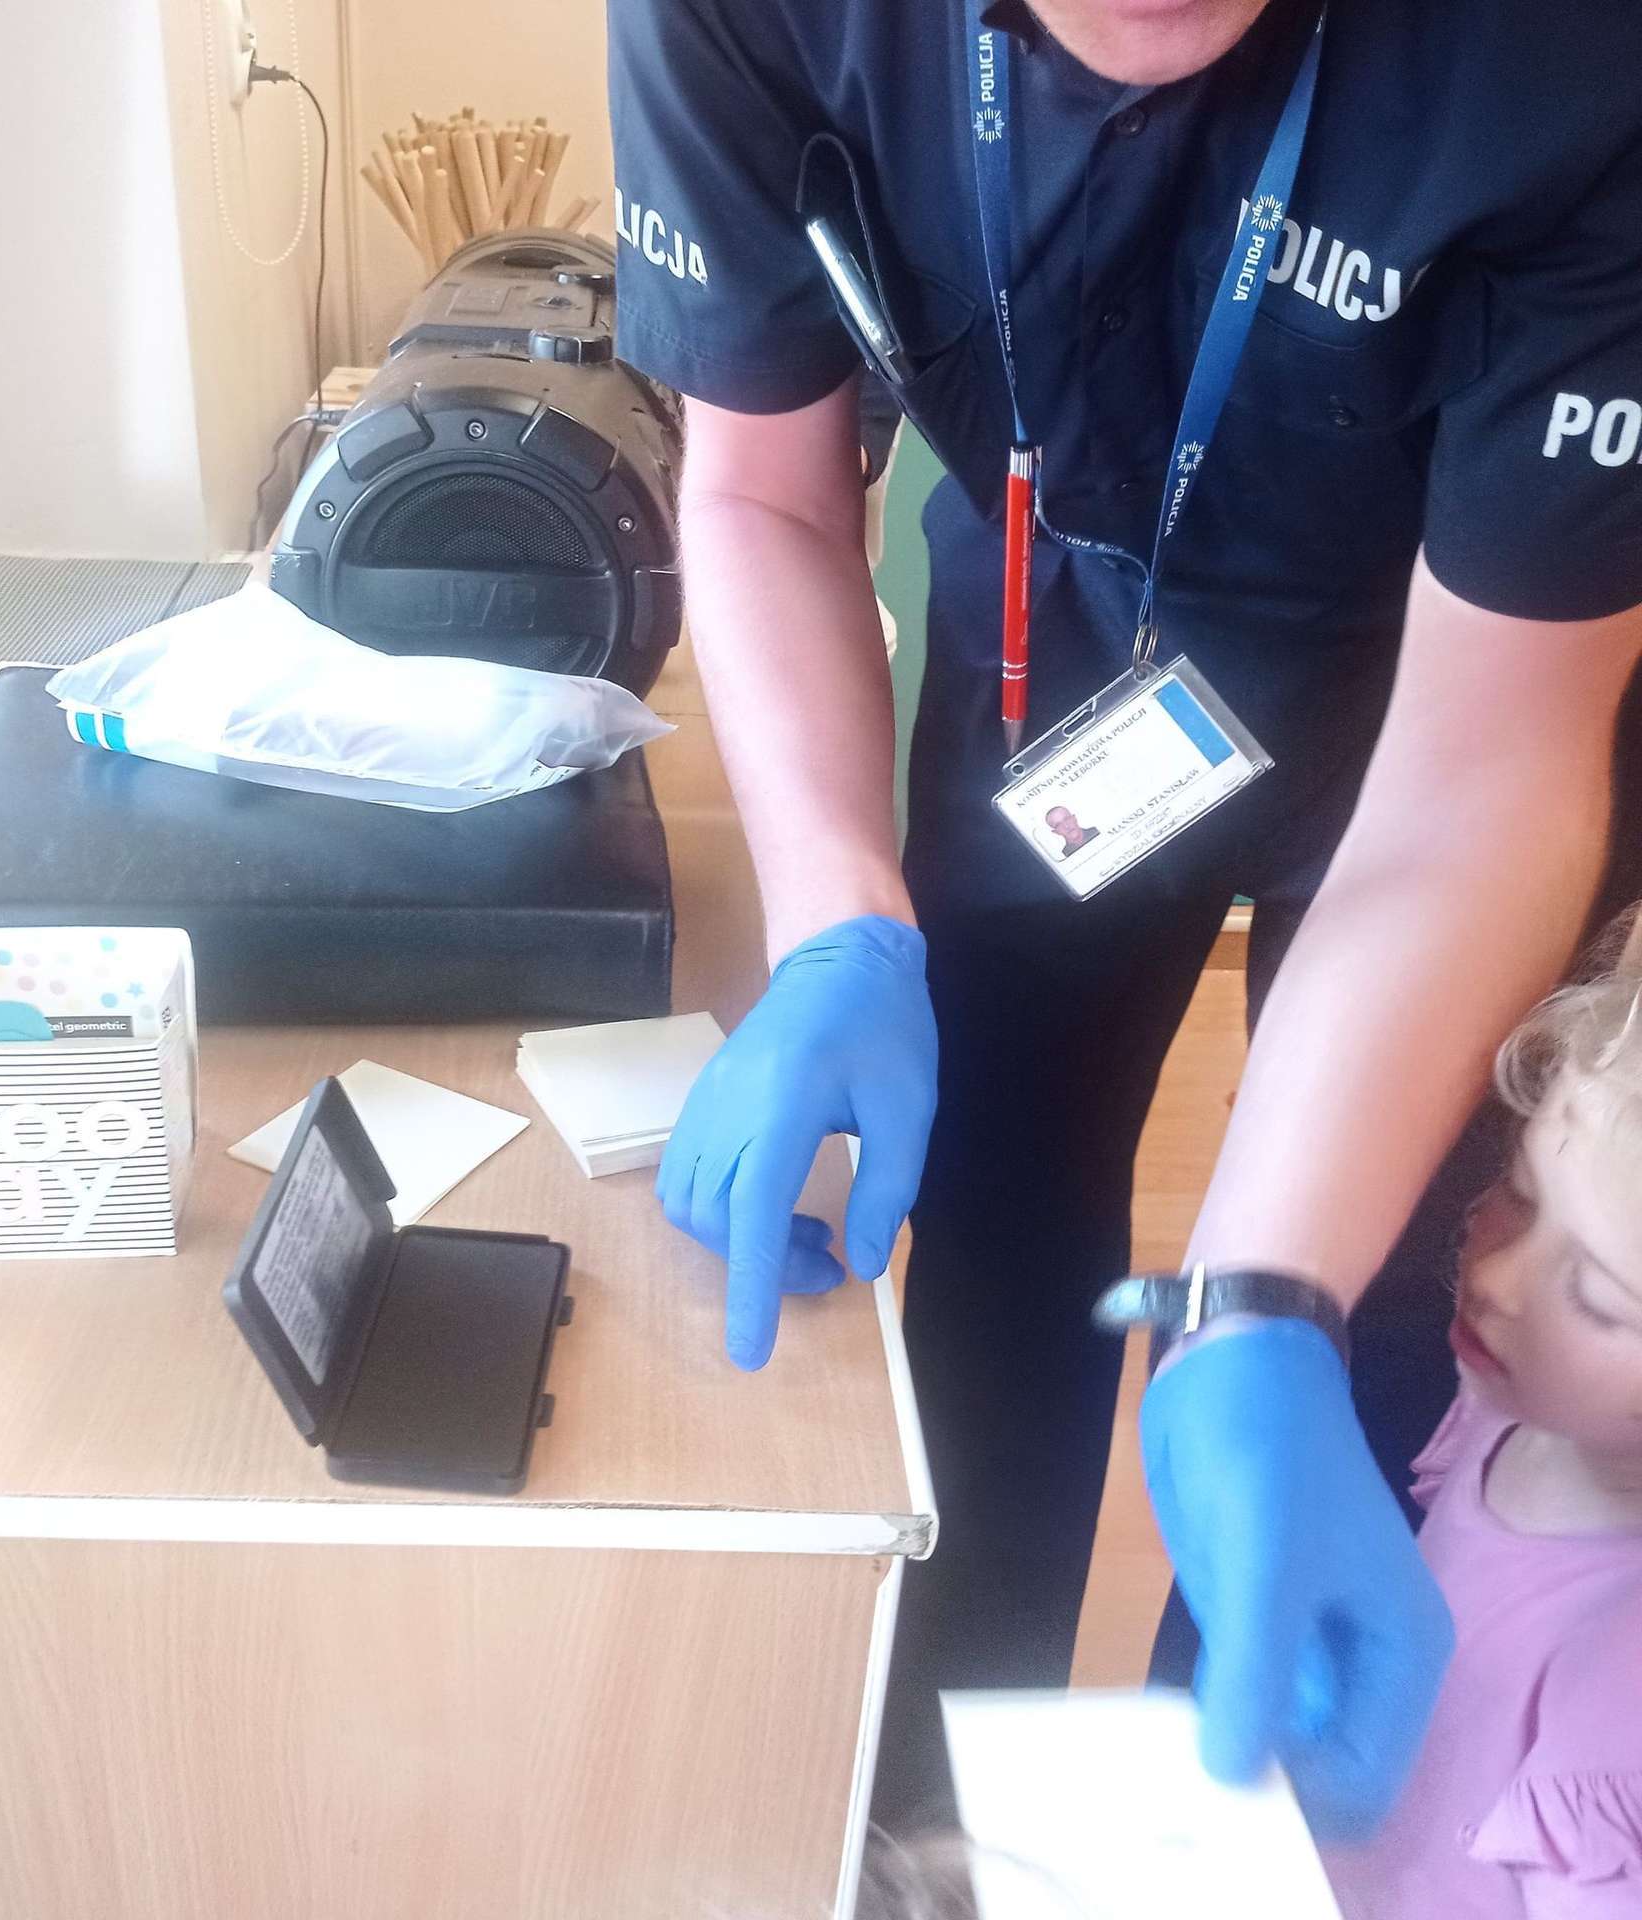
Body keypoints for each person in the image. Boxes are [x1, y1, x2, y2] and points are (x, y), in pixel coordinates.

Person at [607, 0, 1642, 1839]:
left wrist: (1259, 1302)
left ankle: (1211, 1841)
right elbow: (764, 492)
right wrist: (838, 916)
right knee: (994, 1254)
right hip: (1064, 655)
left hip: (1447, 692)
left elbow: (1492, 761)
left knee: (1356, 1360)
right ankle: (933, 1833)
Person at [1327, 912, 1642, 1917]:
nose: (1497, 1278)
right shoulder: (1509, 1413)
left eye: (1596, 1297)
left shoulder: (1619, 1700)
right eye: (1517, 1191)